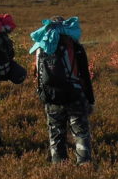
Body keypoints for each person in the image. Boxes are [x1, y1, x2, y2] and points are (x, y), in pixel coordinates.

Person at [30, 16, 94, 165]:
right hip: (75, 96)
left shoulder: (40, 48)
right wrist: (90, 100)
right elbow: (85, 75)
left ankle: (59, 167)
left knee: (56, 134)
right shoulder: (76, 48)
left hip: (51, 98)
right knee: (80, 132)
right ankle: (84, 166)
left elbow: (37, 75)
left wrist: (42, 96)